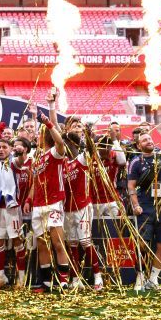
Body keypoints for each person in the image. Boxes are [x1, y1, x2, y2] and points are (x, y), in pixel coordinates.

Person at [24, 90, 71, 292]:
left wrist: (50, 120)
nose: (37, 135)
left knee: (57, 242)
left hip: (53, 202)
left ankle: (64, 281)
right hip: (38, 205)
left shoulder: (55, 153)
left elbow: (60, 141)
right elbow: (35, 181)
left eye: (41, 133)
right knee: (42, 244)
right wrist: (29, 198)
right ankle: (45, 282)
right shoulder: (37, 157)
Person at [127, 132, 161, 291]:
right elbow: (131, 186)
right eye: (144, 140)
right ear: (139, 145)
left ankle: (153, 280)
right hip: (145, 207)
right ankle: (140, 276)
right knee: (141, 244)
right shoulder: (135, 162)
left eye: (149, 138)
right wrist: (135, 205)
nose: (148, 141)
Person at [63, 129, 103, 291]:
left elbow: (91, 150)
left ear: (73, 145)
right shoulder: (60, 163)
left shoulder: (81, 159)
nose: (64, 147)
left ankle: (97, 277)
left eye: (66, 144)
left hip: (83, 206)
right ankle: (75, 278)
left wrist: (87, 136)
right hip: (66, 209)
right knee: (72, 244)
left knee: (85, 242)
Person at [0, 137, 28, 289]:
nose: (1, 150)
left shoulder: (13, 161)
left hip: (12, 207)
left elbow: (21, 162)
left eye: (4, 147)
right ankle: (0, 276)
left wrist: (22, 152)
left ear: (10, 149)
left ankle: (21, 278)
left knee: (17, 241)